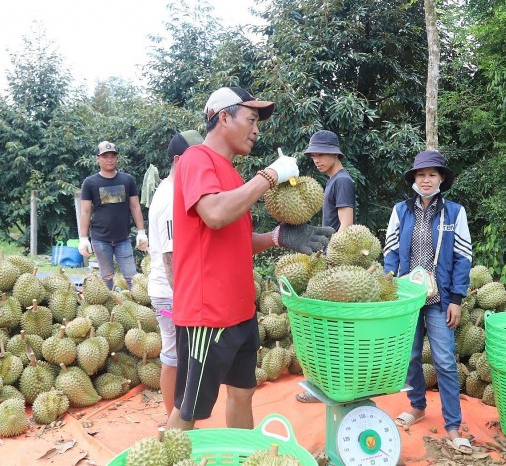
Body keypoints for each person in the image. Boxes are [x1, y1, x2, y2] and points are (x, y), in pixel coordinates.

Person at [165, 86, 335, 431]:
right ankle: (166, 453)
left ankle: (245, 455)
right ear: (223, 117)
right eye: (251, 119)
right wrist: (269, 175)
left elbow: (235, 241)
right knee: (188, 411)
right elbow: (214, 214)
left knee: (243, 393)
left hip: (240, 311)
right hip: (208, 315)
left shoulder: (231, 172)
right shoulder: (197, 158)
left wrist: (276, 237)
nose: (256, 129)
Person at [383, 149, 473, 453]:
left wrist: (456, 298)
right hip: (407, 297)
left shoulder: (455, 213)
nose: (426, 180)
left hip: (440, 297)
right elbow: (390, 252)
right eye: (421, 175)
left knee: (444, 360)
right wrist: (390, 287)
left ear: (441, 178)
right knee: (409, 357)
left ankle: (452, 425)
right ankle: (417, 406)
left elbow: (463, 257)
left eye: (432, 174)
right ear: (414, 178)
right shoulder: (401, 210)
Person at [295, 129, 356, 404]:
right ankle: (325, 385)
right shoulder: (333, 181)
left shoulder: (342, 181)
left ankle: (330, 387)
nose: (316, 160)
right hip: (329, 259)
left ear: (335, 154)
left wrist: (331, 259)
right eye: (313, 155)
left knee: (330, 329)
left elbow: (346, 225)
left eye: (321, 154)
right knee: (325, 328)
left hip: (335, 261)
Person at [147, 129, 203, 418]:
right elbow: (171, 256)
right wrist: (183, 299)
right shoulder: (171, 197)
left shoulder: (177, 190)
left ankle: (178, 420)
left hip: (174, 291)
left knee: (179, 358)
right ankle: (174, 423)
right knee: (173, 358)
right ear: (180, 160)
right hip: (172, 292)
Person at [78, 140, 148, 291]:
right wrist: (83, 238)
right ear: (98, 159)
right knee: (106, 277)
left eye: (112, 156)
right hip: (100, 239)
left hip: (123, 238)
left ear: (117, 158)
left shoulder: (127, 180)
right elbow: (85, 211)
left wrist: (141, 231)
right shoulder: (90, 182)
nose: (109, 159)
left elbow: (135, 206)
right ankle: (109, 304)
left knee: (132, 277)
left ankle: (137, 303)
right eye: (105, 156)